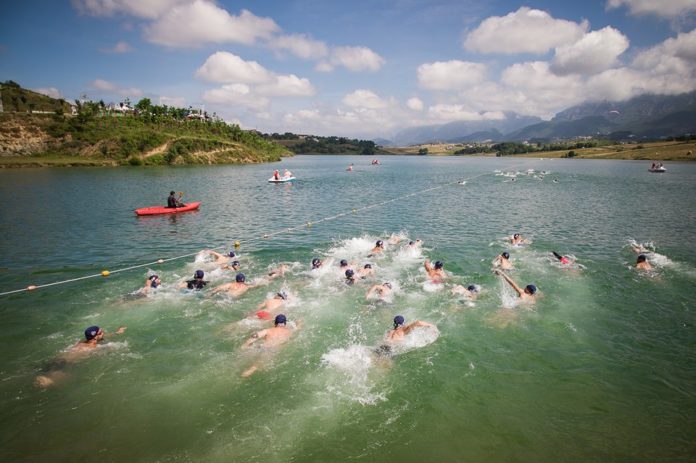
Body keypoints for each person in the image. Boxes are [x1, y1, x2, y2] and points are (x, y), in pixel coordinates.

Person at [35, 325, 127, 388]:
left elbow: (102, 338)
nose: (103, 333)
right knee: (64, 379)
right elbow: (107, 349)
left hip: (58, 358)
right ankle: (47, 381)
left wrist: (117, 333)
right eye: (101, 332)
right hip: (64, 363)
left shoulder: (83, 341)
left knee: (49, 370)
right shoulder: (92, 348)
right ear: (95, 337)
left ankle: (45, 377)